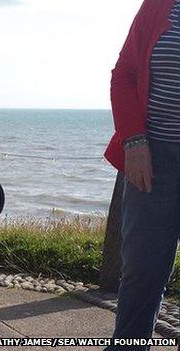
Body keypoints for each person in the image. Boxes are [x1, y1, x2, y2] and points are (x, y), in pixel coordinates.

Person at [104, 0, 180, 349]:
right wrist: (133, 142)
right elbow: (124, 75)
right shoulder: (159, 5)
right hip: (154, 159)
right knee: (143, 272)